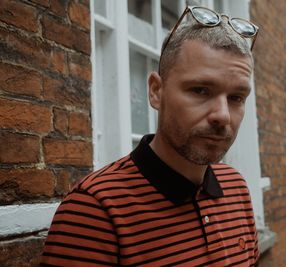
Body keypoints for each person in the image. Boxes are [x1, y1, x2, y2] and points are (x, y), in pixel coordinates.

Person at [41, 6, 260, 266]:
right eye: (201, 90)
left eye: (236, 97)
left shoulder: (236, 188)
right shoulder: (95, 210)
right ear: (156, 91)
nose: (223, 116)